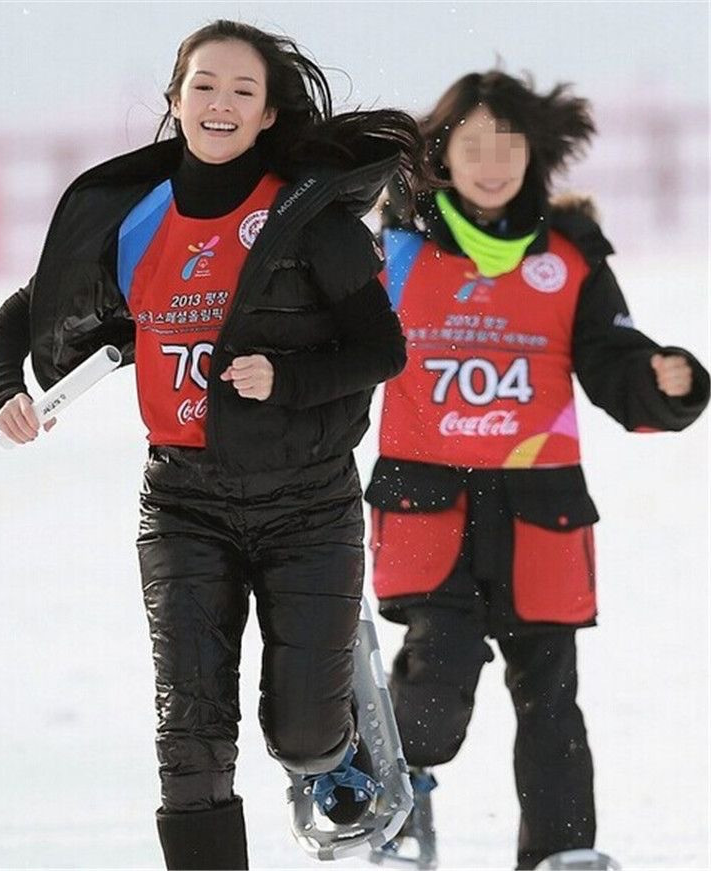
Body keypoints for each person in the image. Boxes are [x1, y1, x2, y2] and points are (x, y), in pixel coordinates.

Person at [0, 20, 431, 870]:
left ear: (266, 116)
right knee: (189, 735)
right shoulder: (134, 222)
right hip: (183, 502)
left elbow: (383, 349)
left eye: (243, 91)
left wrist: (286, 379)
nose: (220, 103)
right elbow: (18, 318)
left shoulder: (307, 219)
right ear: (175, 100)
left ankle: (337, 738)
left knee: (299, 734)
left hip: (308, 503)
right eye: (204, 86)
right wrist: (8, 391)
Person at [365, 70, 709, 870]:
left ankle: (563, 853)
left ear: (536, 155)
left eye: (509, 146)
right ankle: (399, 785)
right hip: (430, 502)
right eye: (473, 144)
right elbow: (337, 349)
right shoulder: (395, 251)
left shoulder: (570, 255)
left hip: (541, 513)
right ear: (439, 154)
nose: (492, 162)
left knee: (551, 700)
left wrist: (667, 380)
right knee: (438, 671)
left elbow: (613, 358)